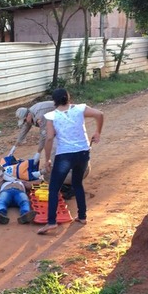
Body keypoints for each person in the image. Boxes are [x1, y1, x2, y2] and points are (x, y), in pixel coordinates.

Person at [37, 88, 104, 235]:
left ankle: (51, 222)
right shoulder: (80, 109)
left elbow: (49, 138)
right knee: (77, 183)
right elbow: (99, 114)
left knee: (54, 188)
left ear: (54, 101)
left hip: (65, 155)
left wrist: (47, 159)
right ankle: (82, 217)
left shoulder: (51, 116)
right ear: (69, 98)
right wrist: (97, 132)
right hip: (83, 152)